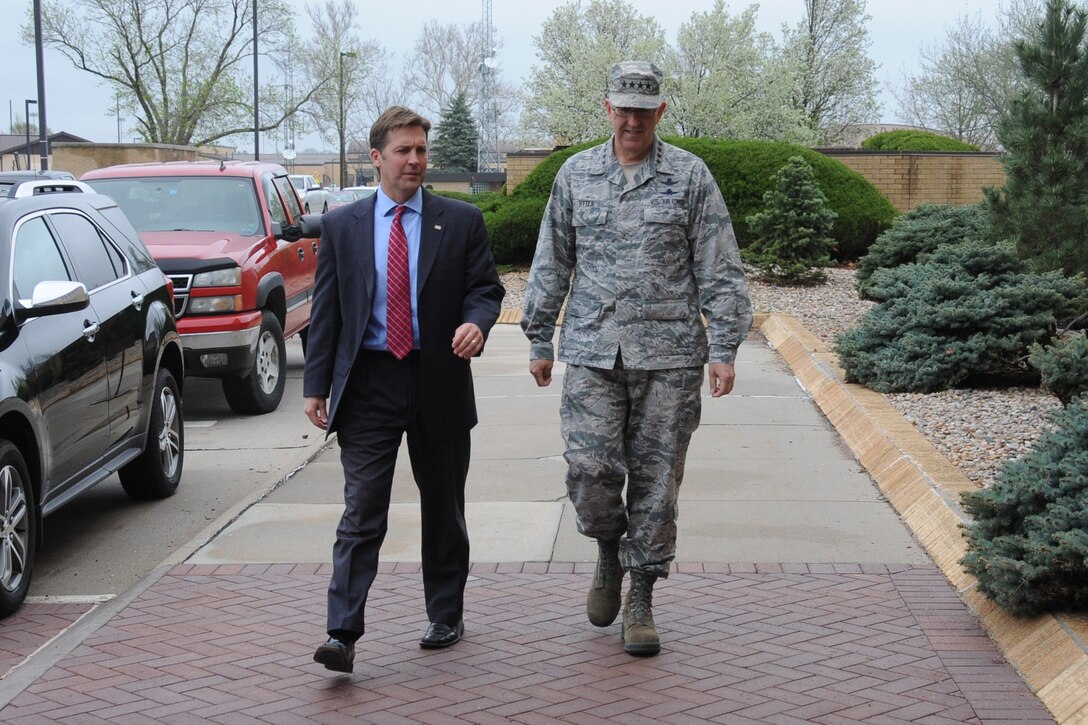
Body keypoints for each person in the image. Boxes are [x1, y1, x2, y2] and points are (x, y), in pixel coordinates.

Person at [521, 61, 753, 656]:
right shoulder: (576, 175)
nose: (631, 120)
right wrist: (540, 335)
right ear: (607, 109)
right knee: (590, 468)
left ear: (660, 113)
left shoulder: (691, 177)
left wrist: (724, 346)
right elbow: (553, 259)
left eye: (642, 111)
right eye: (622, 109)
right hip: (595, 352)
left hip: (670, 357)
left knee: (657, 483)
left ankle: (641, 596)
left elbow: (719, 265)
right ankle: (606, 551)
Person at [303, 106, 505, 674]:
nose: (415, 160)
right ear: (377, 158)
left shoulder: (460, 221)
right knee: (362, 509)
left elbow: (485, 290)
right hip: (369, 383)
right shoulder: (343, 226)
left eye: (421, 150)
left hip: (437, 378)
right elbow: (328, 312)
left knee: (443, 505)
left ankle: (445, 612)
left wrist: (477, 323)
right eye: (403, 151)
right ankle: (341, 633)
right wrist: (316, 385)